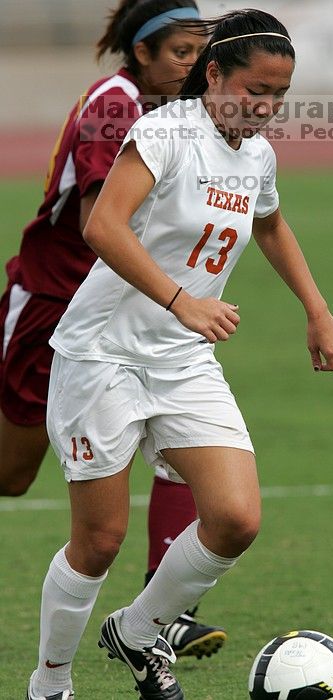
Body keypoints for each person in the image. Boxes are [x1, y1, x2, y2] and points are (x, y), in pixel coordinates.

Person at [25, 8, 333, 700]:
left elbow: (270, 224)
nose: (264, 108)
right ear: (213, 75)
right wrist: (183, 301)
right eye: (253, 90)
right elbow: (104, 227)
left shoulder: (257, 154)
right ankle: (50, 683)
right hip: (103, 355)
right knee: (100, 542)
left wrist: (317, 312)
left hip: (180, 359)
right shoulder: (165, 131)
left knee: (237, 519)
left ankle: (139, 632)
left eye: (278, 96)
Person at [1, 0, 226, 660]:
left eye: (199, 51)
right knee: (11, 476)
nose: (192, 64)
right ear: (144, 53)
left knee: (193, 432)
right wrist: (178, 294)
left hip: (135, 316)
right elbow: (105, 225)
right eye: (180, 51)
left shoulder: (184, 113)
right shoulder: (113, 104)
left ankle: (165, 608)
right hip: (56, 310)